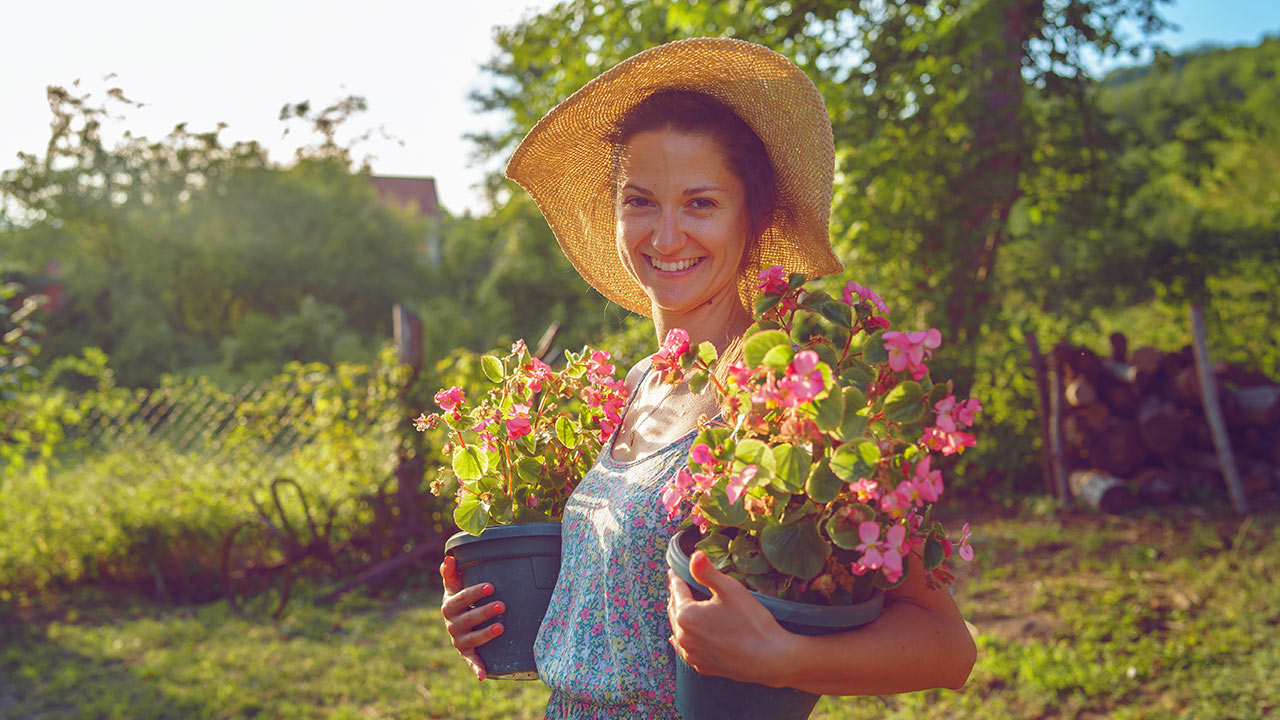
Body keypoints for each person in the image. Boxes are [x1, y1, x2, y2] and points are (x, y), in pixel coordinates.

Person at [439, 37, 977, 718]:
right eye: (640, 201)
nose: (665, 237)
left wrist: (787, 661)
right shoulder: (636, 384)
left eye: (700, 204)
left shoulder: (789, 403)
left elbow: (945, 645)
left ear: (753, 218)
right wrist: (503, 615)